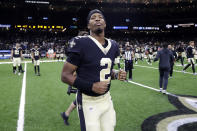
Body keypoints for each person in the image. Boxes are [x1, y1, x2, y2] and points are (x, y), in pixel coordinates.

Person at [61, 9, 126, 131]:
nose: (97, 19)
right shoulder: (80, 43)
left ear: (105, 23)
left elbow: (104, 71)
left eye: (100, 17)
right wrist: (91, 86)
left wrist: (116, 74)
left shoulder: (113, 45)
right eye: (93, 17)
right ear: (88, 25)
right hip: (88, 100)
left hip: (107, 98)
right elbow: (65, 75)